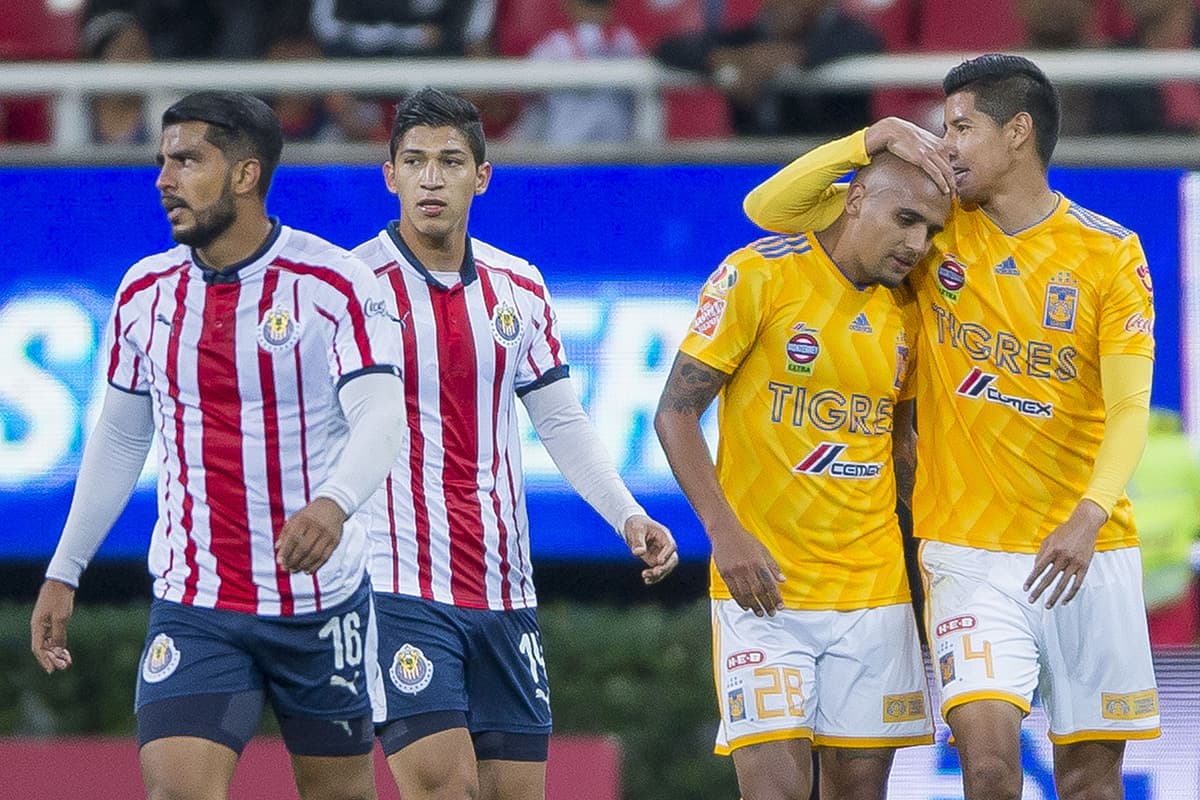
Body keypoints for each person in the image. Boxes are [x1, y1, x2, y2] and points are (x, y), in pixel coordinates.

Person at [743, 54, 1160, 800]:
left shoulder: (1110, 253)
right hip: (966, 554)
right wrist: (870, 141)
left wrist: (1090, 514)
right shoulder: (935, 229)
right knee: (991, 769)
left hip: (1088, 550)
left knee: (1092, 781)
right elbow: (770, 210)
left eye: (961, 127)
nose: (946, 145)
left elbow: (1130, 407)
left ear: (1019, 132)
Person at [29, 90, 406, 800]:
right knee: (176, 791)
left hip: (320, 605)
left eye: (186, 160)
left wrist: (333, 505)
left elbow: (383, 417)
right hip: (197, 602)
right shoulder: (144, 293)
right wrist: (66, 566)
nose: (163, 180)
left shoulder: (333, 286)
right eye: (162, 162)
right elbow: (118, 439)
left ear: (244, 174)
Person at [352, 87, 679, 800]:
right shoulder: (347, 288)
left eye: (449, 161)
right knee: (445, 790)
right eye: (414, 161)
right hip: (395, 579)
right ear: (390, 174)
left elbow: (560, 420)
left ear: (482, 175)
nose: (431, 178)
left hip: (504, 587)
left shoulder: (518, 287)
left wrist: (628, 514)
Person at [654, 152, 947, 800]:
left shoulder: (912, 309)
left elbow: (902, 444)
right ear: (855, 198)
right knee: (772, 793)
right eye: (904, 219)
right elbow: (675, 413)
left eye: (929, 229)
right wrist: (725, 535)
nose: (916, 243)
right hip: (764, 588)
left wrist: (950, 544)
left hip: (873, 588)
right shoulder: (758, 274)